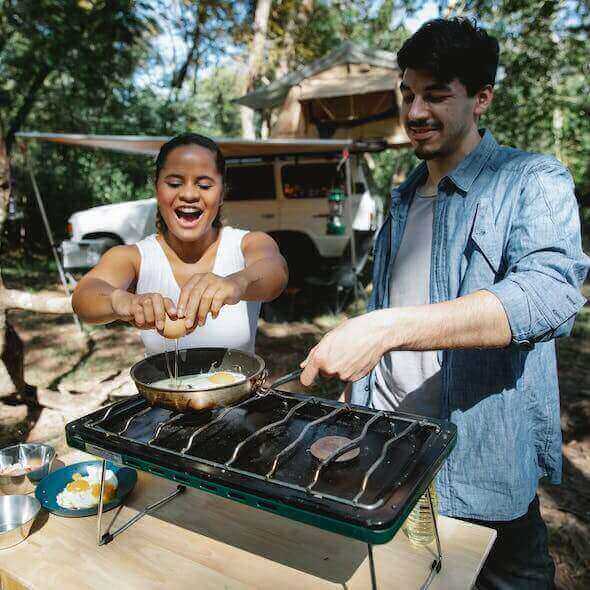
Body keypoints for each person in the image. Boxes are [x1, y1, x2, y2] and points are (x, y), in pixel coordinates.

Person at [300, 18, 590, 589]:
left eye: (436, 95)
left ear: (482, 98)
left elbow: (551, 293)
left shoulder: (531, 179)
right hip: (388, 447)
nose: (414, 112)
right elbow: (392, 303)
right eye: (408, 93)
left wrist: (387, 328)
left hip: (480, 459)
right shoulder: (403, 196)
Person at [72, 133, 288, 356]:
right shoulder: (134, 257)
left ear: (222, 193)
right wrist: (120, 300)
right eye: (174, 183)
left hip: (238, 391)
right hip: (161, 392)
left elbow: (275, 271)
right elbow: (83, 297)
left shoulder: (247, 244)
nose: (188, 194)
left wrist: (238, 282)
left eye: (204, 185)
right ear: (157, 188)